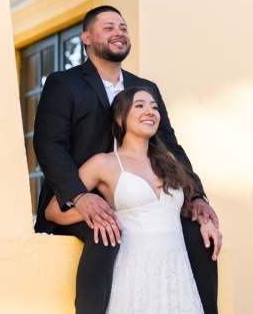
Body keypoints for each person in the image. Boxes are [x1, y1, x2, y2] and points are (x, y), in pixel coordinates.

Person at [33, 6, 221, 314]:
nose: (119, 32)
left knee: (200, 239)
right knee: (106, 235)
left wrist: (197, 196)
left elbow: (170, 146)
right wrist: (79, 196)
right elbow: (49, 144)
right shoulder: (64, 83)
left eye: (123, 27)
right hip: (80, 194)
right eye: (108, 28)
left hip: (143, 194)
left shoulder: (144, 89)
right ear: (86, 38)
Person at [46, 86, 216, 313]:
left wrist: (205, 222)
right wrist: (102, 213)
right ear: (119, 118)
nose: (150, 112)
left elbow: (183, 208)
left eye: (154, 107)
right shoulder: (103, 163)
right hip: (133, 273)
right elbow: (53, 211)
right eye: (140, 106)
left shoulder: (170, 161)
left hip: (176, 275)